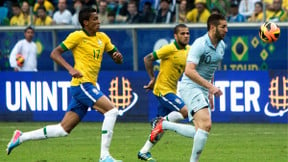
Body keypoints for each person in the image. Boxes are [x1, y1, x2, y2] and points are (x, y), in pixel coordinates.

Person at [6, 7, 123, 162]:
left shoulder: (103, 38)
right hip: (82, 84)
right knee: (112, 111)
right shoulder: (77, 36)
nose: (98, 21)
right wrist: (70, 69)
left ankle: (21, 137)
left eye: (98, 18)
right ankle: (104, 156)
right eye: (94, 19)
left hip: (88, 85)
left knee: (63, 129)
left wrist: (117, 57)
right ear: (85, 22)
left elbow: (117, 58)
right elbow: (54, 53)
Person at [151, 14, 227, 162]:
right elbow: (189, 71)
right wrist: (211, 87)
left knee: (201, 130)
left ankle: (164, 124)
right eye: (223, 27)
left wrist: (209, 92)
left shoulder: (222, 46)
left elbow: (210, 69)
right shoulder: (200, 44)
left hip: (203, 89)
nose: (226, 30)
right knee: (206, 124)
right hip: (191, 86)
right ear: (212, 27)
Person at [138, 24, 196, 161]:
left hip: (172, 89)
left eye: (187, 33)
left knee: (159, 129)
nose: (186, 36)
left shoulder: (190, 50)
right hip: (163, 90)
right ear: (175, 36)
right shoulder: (169, 49)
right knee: (185, 111)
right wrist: (152, 78)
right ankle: (160, 122)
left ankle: (144, 151)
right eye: (182, 33)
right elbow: (147, 59)